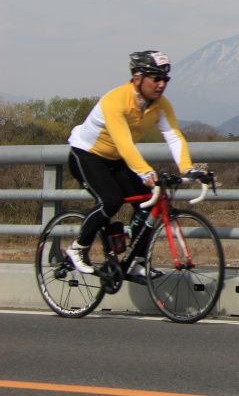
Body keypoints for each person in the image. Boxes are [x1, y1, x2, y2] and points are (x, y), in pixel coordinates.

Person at [64, 51, 204, 283]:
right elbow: (124, 142)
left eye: (165, 80)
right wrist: (145, 171)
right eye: (155, 78)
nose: (161, 85)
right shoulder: (116, 100)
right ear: (137, 78)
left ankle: (136, 263)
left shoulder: (160, 105)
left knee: (148, 201)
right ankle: (78, 247)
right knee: (110, 200)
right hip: (87, 155)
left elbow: (173, 135)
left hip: (116, 159)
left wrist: (188, 168)